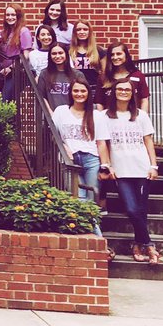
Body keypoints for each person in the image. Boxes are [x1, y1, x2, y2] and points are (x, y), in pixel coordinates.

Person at [102, 79, 159, 264]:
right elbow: (104, 143)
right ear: (114, 92)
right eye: (120, 89)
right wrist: (108, 165)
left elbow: (148, 141)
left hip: (142, 169)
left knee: (141, 210)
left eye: (127, 89)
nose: (123, 92)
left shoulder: (141, 115)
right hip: (121, 170)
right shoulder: (105, 116)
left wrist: (154, 165)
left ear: (132, 92)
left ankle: (137, 245)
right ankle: (150, 245)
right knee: (132, 209)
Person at [53, 76, 111, 233]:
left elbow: (101, 143)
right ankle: (98, 239)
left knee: (91, 200)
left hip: (91, 160)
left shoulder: (97, 115)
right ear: (71, 93)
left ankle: (92, 238)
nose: (79, 94)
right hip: (70, 161)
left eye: (83, 91)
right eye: (76, 90)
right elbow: (54, 135)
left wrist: (105, 166)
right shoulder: (61, 112)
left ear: (88, 93)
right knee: (79, 198)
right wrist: (64, 147)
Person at [0, 4, 33, 101]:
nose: (10, 17)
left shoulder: (23, 31)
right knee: (4, 101)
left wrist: (11, 67)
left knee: (5, 100)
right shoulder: (4, 33)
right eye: (7, 15)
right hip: (3, 73)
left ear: (18, 16)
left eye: (13, 15)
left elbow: (26, 55)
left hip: (17, 72)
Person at [99, 43, 151, 111]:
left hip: (133, 118)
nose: (115, 57)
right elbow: (99, 102)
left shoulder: (138, 75)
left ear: (126, 55)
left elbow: (144, 100)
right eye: (112, 55)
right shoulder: (104, 77)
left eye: (118, 54)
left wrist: (143, 118)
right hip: (110, 119)